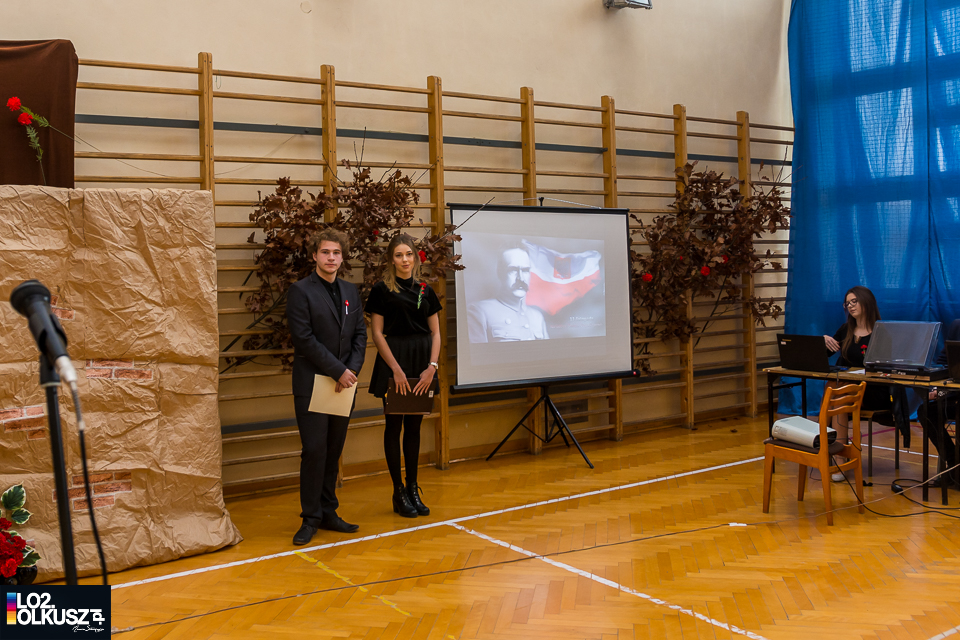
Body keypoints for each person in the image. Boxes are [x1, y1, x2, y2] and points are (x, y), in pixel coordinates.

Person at [286, 229, 367, 544]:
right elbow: (304, 339)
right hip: (313, 383)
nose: (331, 258)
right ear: (314, 255)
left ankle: (328, 512)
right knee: (314, 451)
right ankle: (310, 518)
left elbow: (360, 334)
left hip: (343, 385)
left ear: (342, 257)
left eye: (336, 252)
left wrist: (352, 370)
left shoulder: (350, 290)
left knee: (333, 451)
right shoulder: (300, 291)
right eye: (325, 252)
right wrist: (338, 371)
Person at [366, 233, 443, 518]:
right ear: (391, 259)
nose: (404, 260)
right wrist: (396, 370)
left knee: (414, 428)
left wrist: (431, 367)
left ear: (416, 257)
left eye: (409, 254)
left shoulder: (425, 289)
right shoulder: (380, 290)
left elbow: (436, 332)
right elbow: (376, 333)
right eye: (398, 255)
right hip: (394, 361)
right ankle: (398, 491)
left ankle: (413, 488)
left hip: (422, 363)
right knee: (393, 426)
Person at [822, 285, 898, 481]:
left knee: (837, 392)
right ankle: (839, 453)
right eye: (847, 303)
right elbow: (825, 354)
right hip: (847, 390)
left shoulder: (881, 333)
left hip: (873, 391)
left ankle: (836, 453)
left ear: (867, 302)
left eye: (854, 301)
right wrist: (823, 341)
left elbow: (883, 370)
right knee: (837, 390)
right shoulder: (845, 330)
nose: (850, 306)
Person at [467, 241, 549, 343]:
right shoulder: (479, 312)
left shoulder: (537, 317)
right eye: (513, 270)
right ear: (500, 273)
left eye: (525, 270)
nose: (520, 278)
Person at [919, 319, 960, 488]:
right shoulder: (957, 325)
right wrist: (936, 388)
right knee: (926, 411)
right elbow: (944, 361)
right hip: (954, 394)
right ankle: (953, 462)